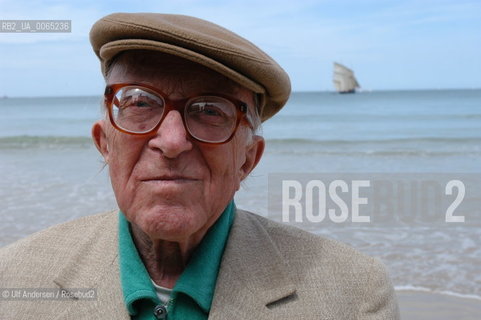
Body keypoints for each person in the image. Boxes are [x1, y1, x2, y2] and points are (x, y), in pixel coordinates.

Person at [0, 13, 399, 319]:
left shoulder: (353, 296)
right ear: (105, 142)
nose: (172, 142)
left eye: (210, 110)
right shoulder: (12, 280)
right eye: (140, 102)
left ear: (248, 159)